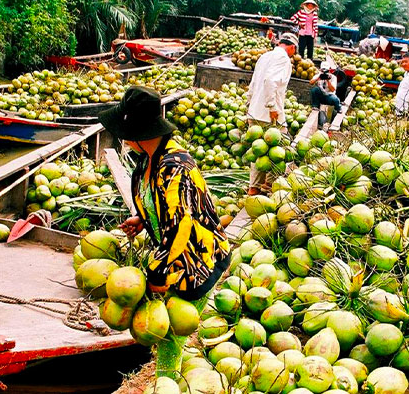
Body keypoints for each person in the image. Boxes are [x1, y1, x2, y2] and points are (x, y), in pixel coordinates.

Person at [98, 87, 231, 376]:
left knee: (171, 335)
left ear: (135, 132)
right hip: (175, 256)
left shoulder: (175, 167)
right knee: (168, 330)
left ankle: (166, 381)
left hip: (199, 258)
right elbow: (162, 205)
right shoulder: (149, 158)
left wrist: (158, 273)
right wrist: (142, 220)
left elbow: (181, 224)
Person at [245, 33, 299, 195]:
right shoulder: (283, 59)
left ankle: (254, 187)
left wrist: (249, 104)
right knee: (280, 149)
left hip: (255, 111)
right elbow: (270, 81)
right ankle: (269, 186)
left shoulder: (265, 56)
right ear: (292, 47)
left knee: (259, 152)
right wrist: (272, 106)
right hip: (269, 113)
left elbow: (254, 83)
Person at [309, 61, 342, 130]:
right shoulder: (318, 75)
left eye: (326, 70)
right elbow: (311, 82)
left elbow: (333, 89)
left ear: (329, 70)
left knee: (336, 100)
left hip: (329, 96)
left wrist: (328, 80)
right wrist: (318, 77)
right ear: (320, 69)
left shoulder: (333, 77)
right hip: (321, 95)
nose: (324, 72)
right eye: (322, 70)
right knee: (314, 90)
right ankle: (315, 106)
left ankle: (338, 109)